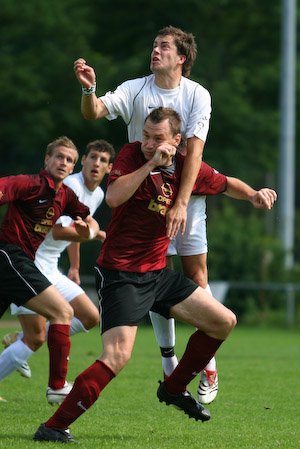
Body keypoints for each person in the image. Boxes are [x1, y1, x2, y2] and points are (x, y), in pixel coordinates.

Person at [33, 108, 276, 444]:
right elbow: (115, 197)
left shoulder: (187, 167)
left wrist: (252, 194)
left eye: (157, 139)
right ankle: (54, 427)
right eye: (145, 135)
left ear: (176, 142)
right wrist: (150, 163)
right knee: (117, 356)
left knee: (223, 321)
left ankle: (174, 388)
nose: (148, 143)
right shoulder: (133, 155)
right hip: (121, 274)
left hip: (158, 273)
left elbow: (224, 183)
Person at [73, 25, 219, 403]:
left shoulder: (197, 94)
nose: (155, 51)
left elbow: (195, 152)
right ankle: (169, 363)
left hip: (182, 192)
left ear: (181, 58)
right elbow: (94, 113)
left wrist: (183, 203)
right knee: (159, 273)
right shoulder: (135, 88)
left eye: (164, 47)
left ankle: (209, 362)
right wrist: (89, 89)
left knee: (195, 274)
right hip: (140, 196)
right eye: (154, 45)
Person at [0, 139, 115, 404]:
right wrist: (90, 235)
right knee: (53, 321)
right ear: (47, 160)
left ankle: (43, 364)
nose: (63, 163)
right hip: (18, 261)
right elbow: (61, 230)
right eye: (59, 157)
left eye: (68, 160)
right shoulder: (33, 184)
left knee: (84, 317)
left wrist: (89, 232)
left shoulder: (67, 194)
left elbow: (84, 221)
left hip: (37, 265)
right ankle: (57, 385)